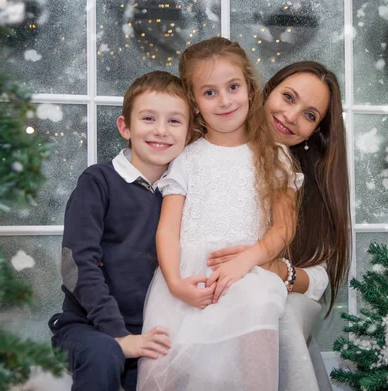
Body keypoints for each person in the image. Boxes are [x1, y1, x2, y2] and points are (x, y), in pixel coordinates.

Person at [137, 37, 301, 391]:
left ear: (250, 88)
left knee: (254, 320)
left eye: (232, 87)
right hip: (188, 280)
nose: (225, 100)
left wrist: (248, 261)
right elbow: (167, 231)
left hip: (246, 272)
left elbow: (284, 227)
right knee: (171, 366)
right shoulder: (185, 158)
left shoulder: (274, 156)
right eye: (209, 92)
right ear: (194, 102)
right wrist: (176, 284)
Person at [208, 61, 351, 390]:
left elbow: (319, 279)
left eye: (310, 115)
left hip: (268, 307)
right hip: (206, 287)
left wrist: (274, 268)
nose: (291, 116)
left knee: (279, 319)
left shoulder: (302, 181)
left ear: (316, 131)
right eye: (288, 97)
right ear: (267, 90)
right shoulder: (212, 146)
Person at [48, 71, 192, 391]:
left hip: (156, 330)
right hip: (89, 328)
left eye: (174, 121)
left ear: (189, 132)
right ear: (125, 127)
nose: (160, 130)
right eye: (149, 118)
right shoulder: (98, 182)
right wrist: (119, 335)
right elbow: (77, 262)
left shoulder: (183, 194)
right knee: (104, 354)